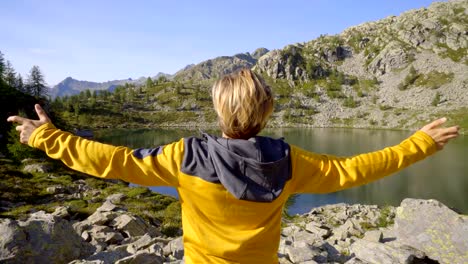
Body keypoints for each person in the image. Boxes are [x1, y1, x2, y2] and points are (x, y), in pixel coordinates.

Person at [7, 69, 460, 263]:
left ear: (220, 111)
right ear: (265, 113)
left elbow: (112, 161)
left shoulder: (185, 156)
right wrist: (419, 144)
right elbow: (355, 169)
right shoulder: (289, 161)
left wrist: (45, 136)